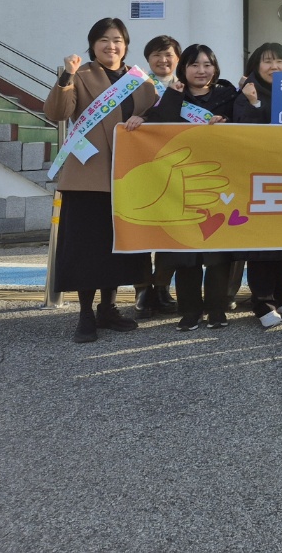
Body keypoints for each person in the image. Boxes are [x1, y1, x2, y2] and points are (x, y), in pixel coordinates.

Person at [44, 17, 158, 343]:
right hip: (89, 176)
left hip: (128, 176)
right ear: (93, 44)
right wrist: (66, 75)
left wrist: (146, 117)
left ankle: (108, 309)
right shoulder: (80, 75)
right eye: (104, 40)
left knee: (118, 249)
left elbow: (156, 115)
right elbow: (56, 112)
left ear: (126, 44)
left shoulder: (140, 80)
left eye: (118, 39)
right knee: (86, 249)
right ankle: (85, 314)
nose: (112, 46)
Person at [139, 44, 239, 330]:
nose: (201, 70)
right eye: (195, 64)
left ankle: (217, 310)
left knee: (218, 251)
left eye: (207, 64)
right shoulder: (173, 95)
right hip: (180, 182)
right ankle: (190, 311)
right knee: (185, 254)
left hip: (220, 180)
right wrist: (141, 119)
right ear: (184, 68)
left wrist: (229, 122)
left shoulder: (228, 94)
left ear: (215, 67)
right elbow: (156, 126)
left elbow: (247, 123)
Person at [234, 42, 282, 328]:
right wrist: (253, 103)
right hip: (260, 180)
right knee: (262, 246)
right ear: (255, 66)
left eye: (280, 61)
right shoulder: (246, 94)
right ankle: (262, 303)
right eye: (267, 61)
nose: (274, 67)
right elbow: (244, 131)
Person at [135, 33, 183, 318]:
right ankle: (142, 290)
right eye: (156, 55)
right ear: (147, 59)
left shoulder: (186, 86)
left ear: (177, 59)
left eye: (168, 55)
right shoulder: (136, 84)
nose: (163, 60)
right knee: (140, 231)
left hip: (175, 167)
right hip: (140, 167)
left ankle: (163, 287)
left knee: (170, 231)